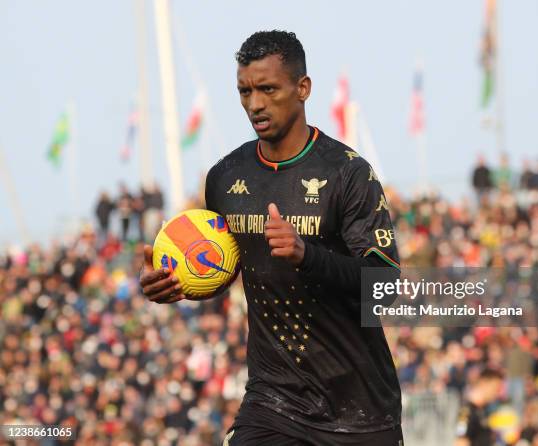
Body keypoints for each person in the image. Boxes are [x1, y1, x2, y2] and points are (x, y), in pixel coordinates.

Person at [139, 30, 403, 445]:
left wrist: (306, 254)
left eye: (267, 89)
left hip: (359, 410)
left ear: (303, 88)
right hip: (272, 404)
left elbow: (386, 288)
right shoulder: (225, 177)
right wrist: (177, 283)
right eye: (244, 91)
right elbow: (226, 268)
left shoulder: (349, 173)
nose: (254, 104)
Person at [454, 368, 505, 446]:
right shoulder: (466, 410)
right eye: (496, 389)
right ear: (484, 383)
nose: (497, 394)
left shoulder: (483, 410)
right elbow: (460, 442)